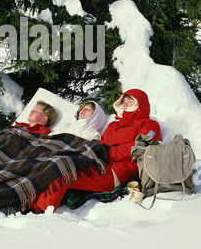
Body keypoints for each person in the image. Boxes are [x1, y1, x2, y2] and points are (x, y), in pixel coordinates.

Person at [31, 89, 162, 214]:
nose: (126, 104)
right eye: (124, 101)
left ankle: (40, 213)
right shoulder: (113, 125)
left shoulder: (149, 124)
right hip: (100, 164)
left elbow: (142, 147)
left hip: (119, 171)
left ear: (140, 104)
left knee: (64, 171)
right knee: (56, 165)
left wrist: (109, 153)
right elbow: (102, 147)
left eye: (130, 101)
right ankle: (31, 207)